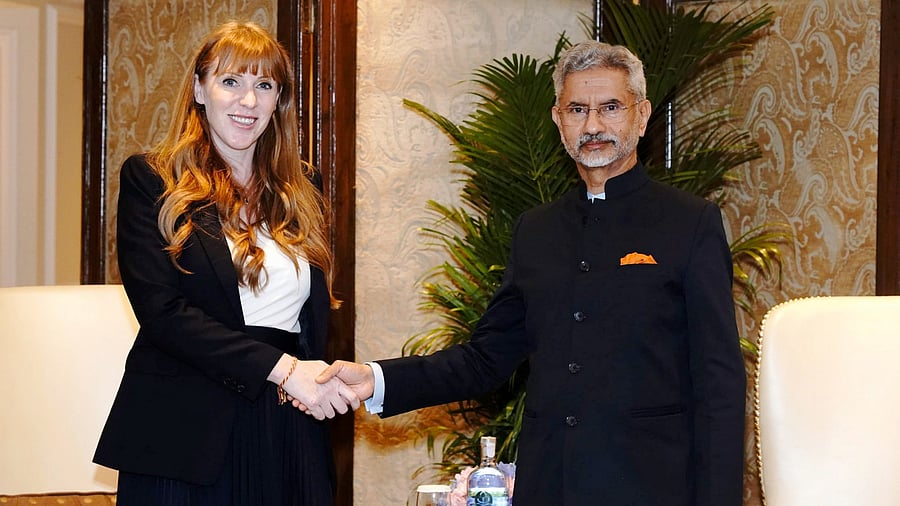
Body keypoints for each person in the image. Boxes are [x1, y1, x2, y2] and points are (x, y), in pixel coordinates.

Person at [318, 40, 746, 506]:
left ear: (641, 117)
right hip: (549, 486)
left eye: (611, 107)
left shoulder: (691, 222)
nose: (594, 125)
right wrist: (377, 379)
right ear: (558, 121)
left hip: (651, 488)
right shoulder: (536, 231)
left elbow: (718, 385)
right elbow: (486, 359)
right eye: (578, 109)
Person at [93, 21, 358, 506]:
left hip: (288, 428)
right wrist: (281, 369)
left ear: (279, 100)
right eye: (230, 82)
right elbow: (163, 314)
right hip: (185, 437)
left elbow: (310, 324)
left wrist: (315, 380)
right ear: (199, 88)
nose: (248, 102)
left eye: (264, 85)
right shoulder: (152, 180)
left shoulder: (304, 189)